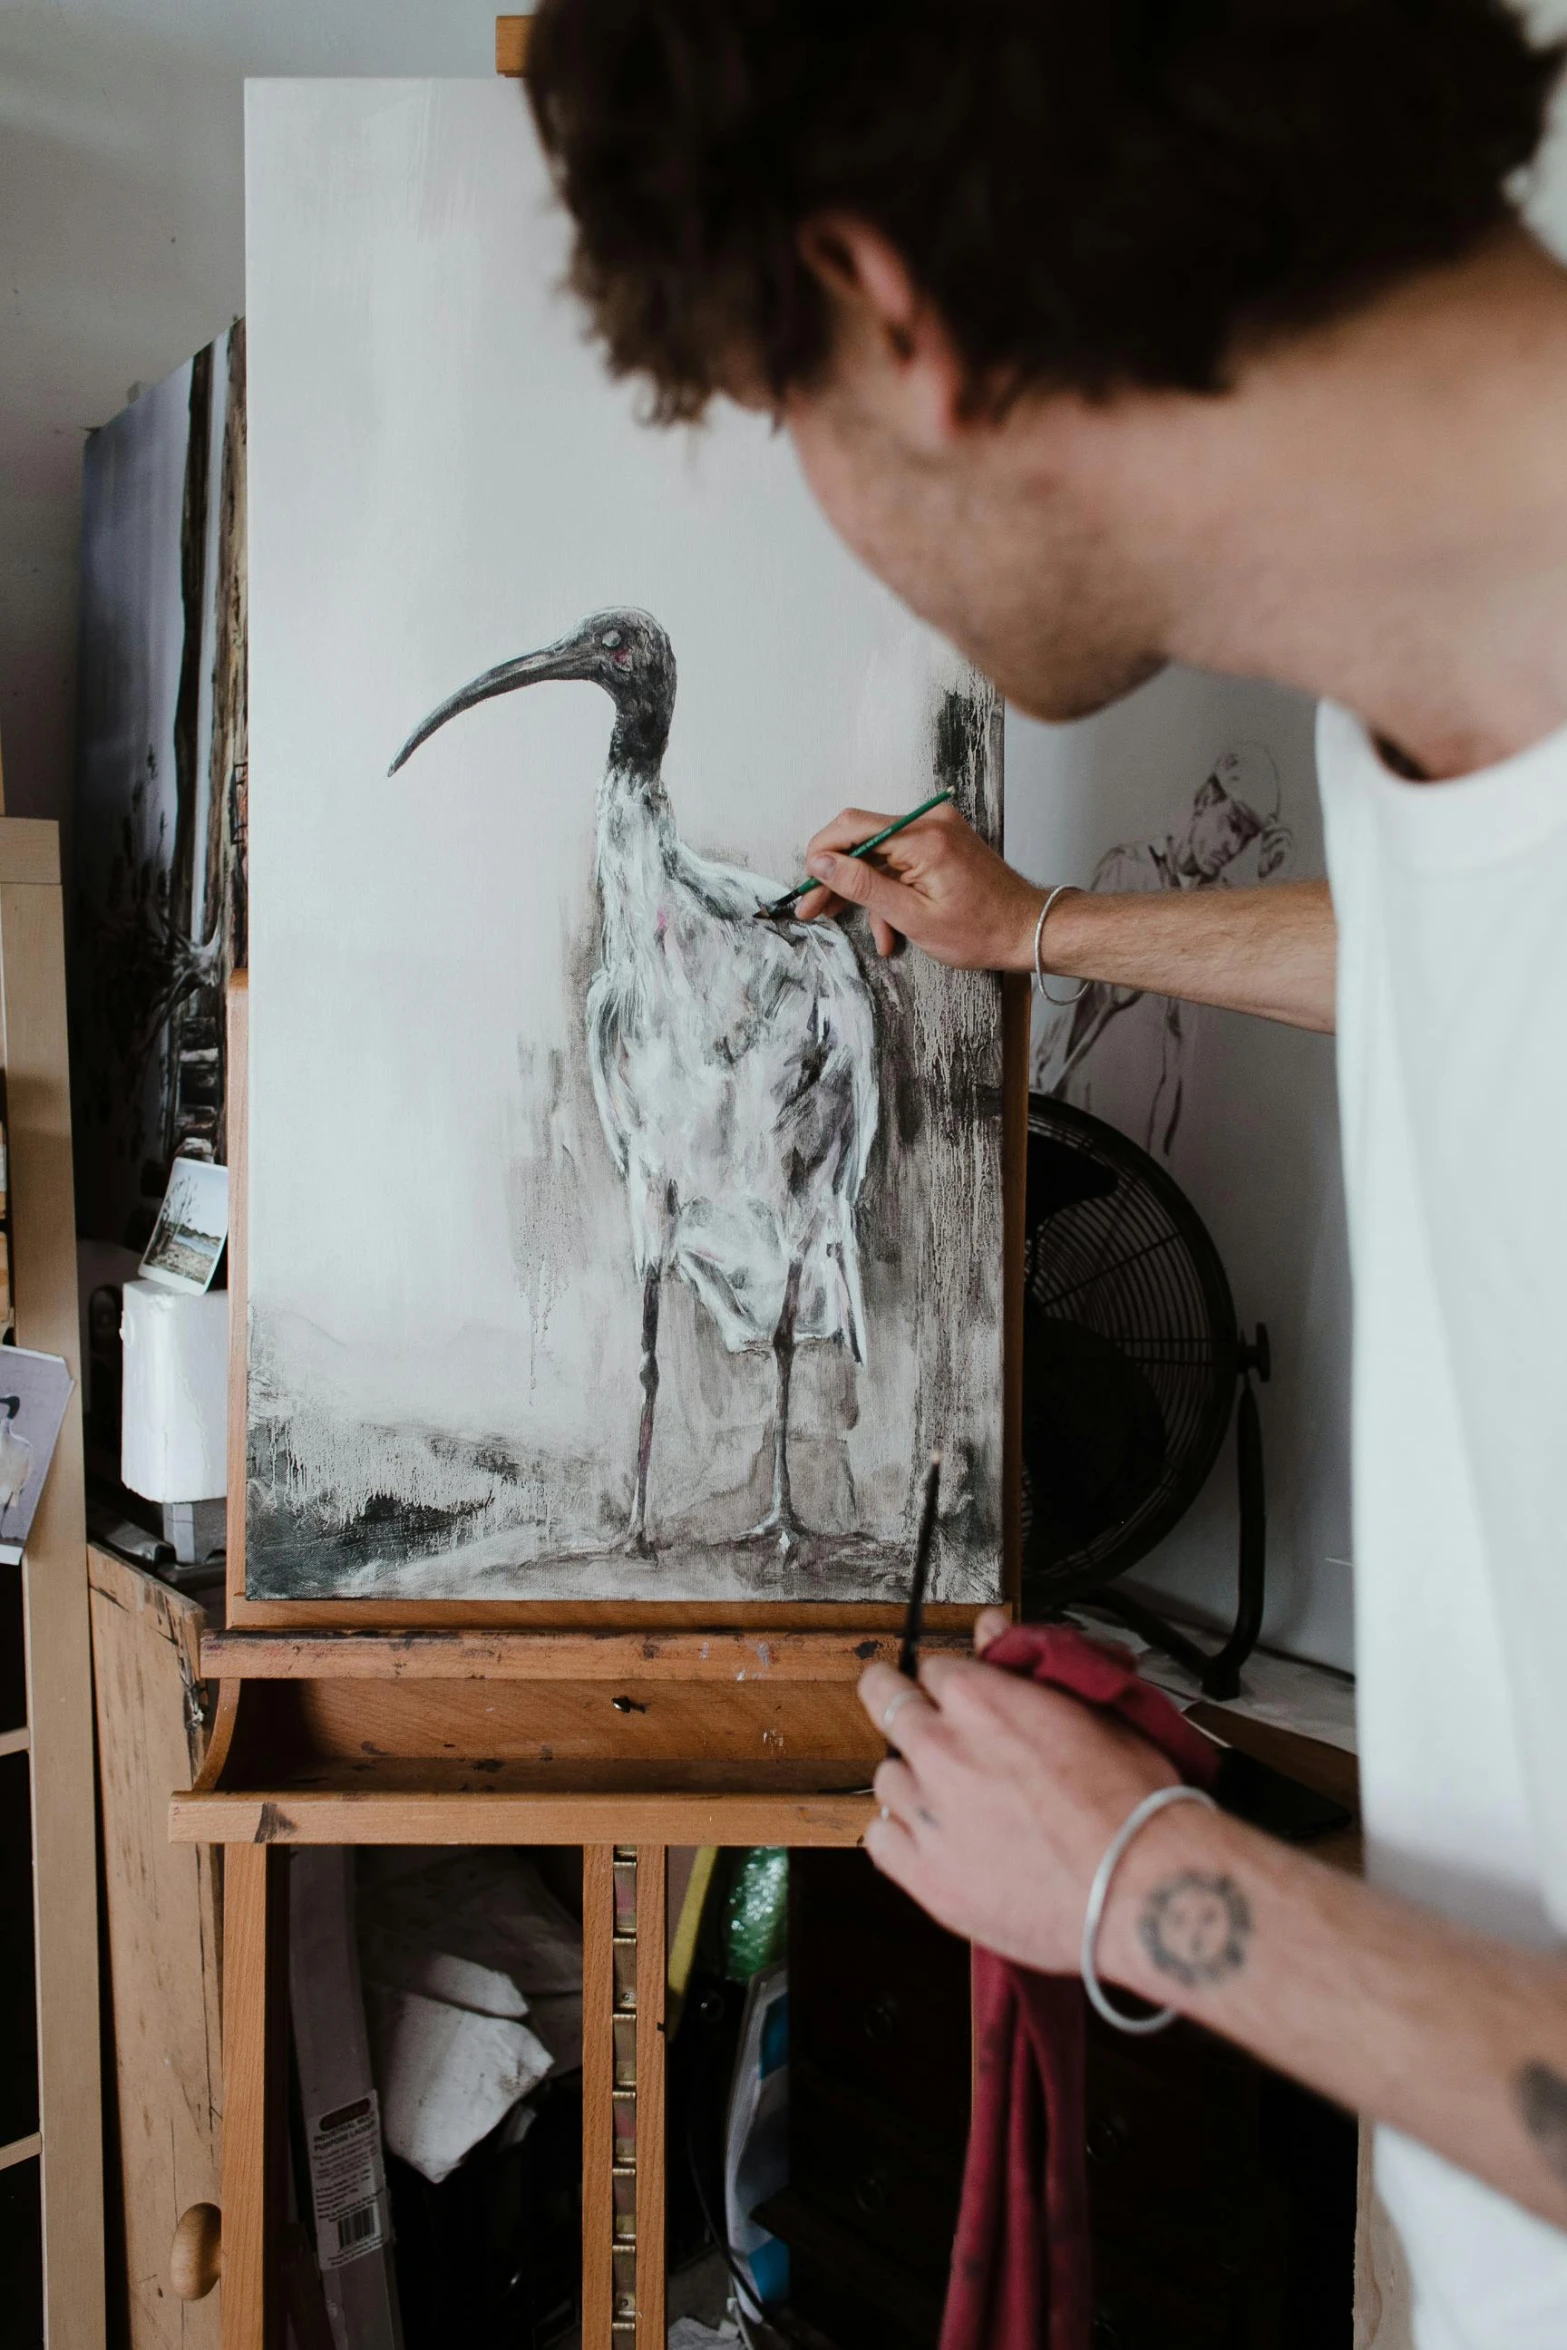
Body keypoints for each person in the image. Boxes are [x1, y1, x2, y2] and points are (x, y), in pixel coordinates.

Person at [524, 3, 1567, 2339]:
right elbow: (1483, 948)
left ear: (895, 313)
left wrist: (1143, 1878)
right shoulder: (1456, 695)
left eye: (772, 408)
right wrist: (1047, 935)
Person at [1035, 741, 1293, 1156]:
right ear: (1207, 799)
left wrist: (1268, 887)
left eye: (1247, 838)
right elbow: (1064, 984)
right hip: (1088, 1107)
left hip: (1152, 1142)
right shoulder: (1128, 870)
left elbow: (1256, 985)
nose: (1234, 845)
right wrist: (1035, 1075)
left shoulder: (1223, 907)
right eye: (1233, 824)